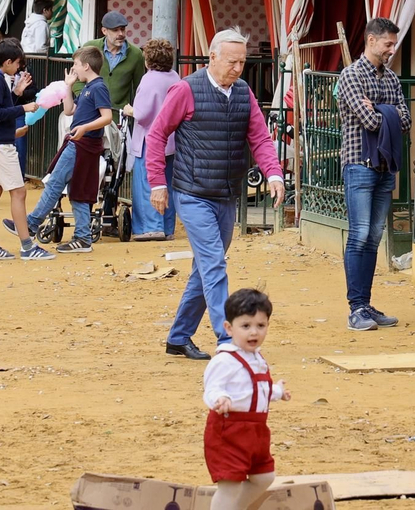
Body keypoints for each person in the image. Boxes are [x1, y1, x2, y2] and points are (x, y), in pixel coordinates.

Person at [148, 29, 285, 360]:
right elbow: (156, 134)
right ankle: (228, 340)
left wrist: (274, 173)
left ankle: (178, 337)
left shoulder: (243, 92)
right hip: (192, 193)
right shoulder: (186, 89)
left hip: (226, 194)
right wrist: (157, 182)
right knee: (213, 265)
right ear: (212, 57)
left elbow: (260, 137)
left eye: (242, 62)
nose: (238, 68)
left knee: (205, 269)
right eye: (232, 61)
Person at [335, 17, 407, 332]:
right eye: (388, 43)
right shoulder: (350, 75)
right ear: (371, 40)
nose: (392, 49)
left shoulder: (391, 78)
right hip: (358, 164)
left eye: (394, 43)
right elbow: (371, 122)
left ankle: (365, 304)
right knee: (359, 235)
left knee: (374, 238)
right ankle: (356, 308)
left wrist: (380, 109)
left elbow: (405, 121)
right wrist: (385, 111)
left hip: (383, 167)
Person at [202, 288, 290, 510]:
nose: (254, 333)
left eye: (260, 326)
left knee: (264, 477)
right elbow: (212, 387)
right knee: (230, 484)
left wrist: (278, 392)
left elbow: (257, 389)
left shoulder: (257, 358)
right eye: (246, 326)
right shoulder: (225, 360)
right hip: (229, 431)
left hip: (257, 431)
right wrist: (219, 399)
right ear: (229, 328)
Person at [20, 47, 111, 252]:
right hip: (82, 143)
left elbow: (107, 117)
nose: (74, 69)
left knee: (55, 183)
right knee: (77, 189)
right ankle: (82, 237)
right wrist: (69, 87)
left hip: (82, 143)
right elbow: (69, 110)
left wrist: (85, 127)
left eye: (76, 64)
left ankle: (32, 223)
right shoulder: (89, 87)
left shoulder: (97, 88)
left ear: (86, 66)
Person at [0, 39, 54, 261]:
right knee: (18, 192)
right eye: (17, 63)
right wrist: (23, 106)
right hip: (0, 143)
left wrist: (16, 94)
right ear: (8, 62)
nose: (19, 67)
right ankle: (27, 245)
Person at [129, 38, 182, 242]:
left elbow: (142, 114)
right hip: (172, 141)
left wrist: (129, 110)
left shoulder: (148, 80)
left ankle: (150, 227)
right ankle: (167, 227)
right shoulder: (175, 77)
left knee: (147, 183)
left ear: (148, 60)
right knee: (167, 183)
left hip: (148, 140)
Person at [81, 11, 147, 111]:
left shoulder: (136, 54)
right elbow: (77, 79)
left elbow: (139, 87)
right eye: (115, 30)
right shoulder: (90, 47)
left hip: (119, 117)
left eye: (122, 29)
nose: (120, 34)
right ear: (104, 31)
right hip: (91, 113)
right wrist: (85, 98)